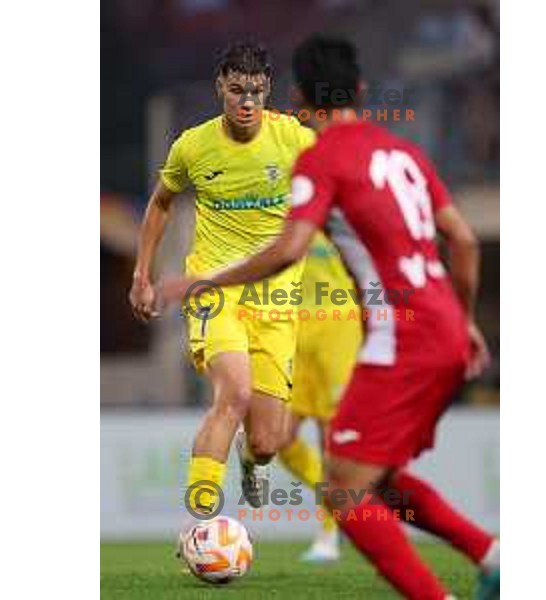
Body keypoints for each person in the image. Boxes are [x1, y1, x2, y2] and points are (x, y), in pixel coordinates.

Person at [160, 35, 500, 599]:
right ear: (361, 91)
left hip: (399, 339)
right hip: (443, 330)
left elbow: (289, 248)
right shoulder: (404, 153)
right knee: (375, 479)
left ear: (297, 98)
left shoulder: (323, 157)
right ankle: (491, 556)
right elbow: (463, 241)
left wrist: (206, 279)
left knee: (341, 491)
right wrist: (464, 321)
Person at [129, 42, 315, 517]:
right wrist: (141, 274)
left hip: (277, 301)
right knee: (234, 392)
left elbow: (338, 180)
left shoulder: (293, 138)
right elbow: (161, 203)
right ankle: (202, 523)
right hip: (213, 292)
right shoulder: (193, 145)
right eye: (236, 91)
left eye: (255, 91)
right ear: (220, 89)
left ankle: (253, 461)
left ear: (268, 89)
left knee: (268, 440)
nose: (246, 101)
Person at [278, 232, 362, 561]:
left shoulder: (331, 209)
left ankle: (329, 534)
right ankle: (339, 498)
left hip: (336, 327)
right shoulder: (266, 209)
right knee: (277, 439)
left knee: (331, 434)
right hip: (291, 330)